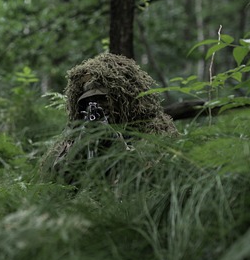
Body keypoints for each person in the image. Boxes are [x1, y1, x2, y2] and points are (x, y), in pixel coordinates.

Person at [42, 52, 177, 182]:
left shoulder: (151, 128)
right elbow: (56, 178)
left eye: (103, 99)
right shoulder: (74, 134)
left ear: (119, 100)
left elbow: (149, 173)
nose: (96, 105)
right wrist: (79, 146)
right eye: (89, 101)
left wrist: (113, 141)